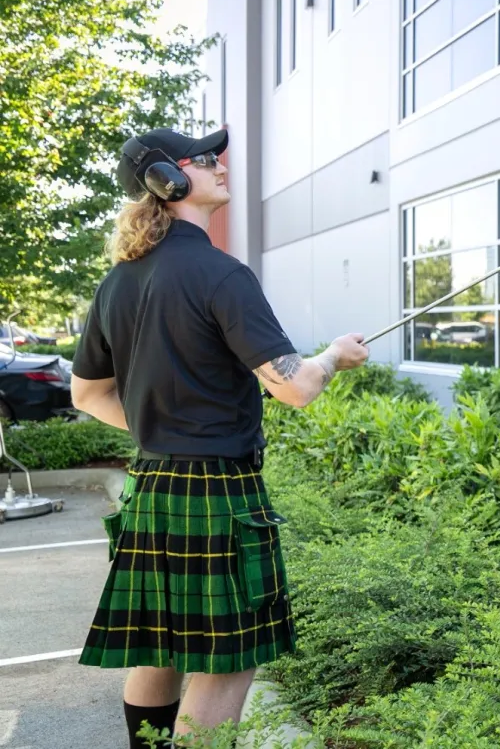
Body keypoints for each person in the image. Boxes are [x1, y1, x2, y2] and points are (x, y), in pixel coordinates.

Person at [67, 128, 370, 748]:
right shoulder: (221, 274)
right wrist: (335, 356)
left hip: (154, 484)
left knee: (156, 645)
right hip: (217, 493)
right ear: (166, 180)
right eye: (203, 159)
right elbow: (296, 387)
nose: (220, 166)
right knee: (225, 662)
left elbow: (88, 394)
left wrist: (166, 423)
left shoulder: (117, 282)